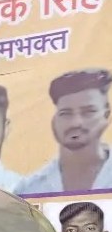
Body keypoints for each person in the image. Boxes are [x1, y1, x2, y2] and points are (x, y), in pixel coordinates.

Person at [16, 69, 112, 197]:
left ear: (106, 116)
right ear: (55, 120)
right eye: (66, 113)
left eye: (88, 112)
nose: (76, 122)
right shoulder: (29, 189)